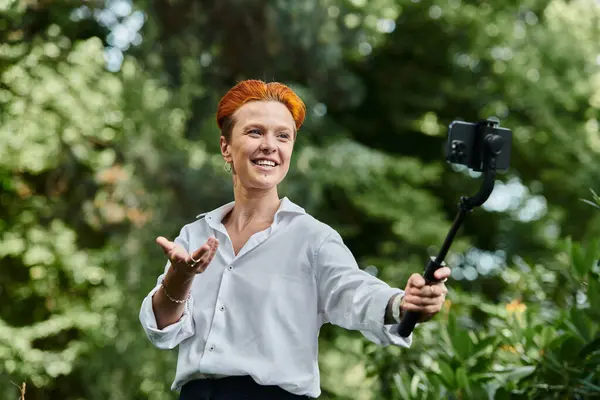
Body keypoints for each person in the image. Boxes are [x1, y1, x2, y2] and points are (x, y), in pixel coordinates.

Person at [139, 80, 450, 400]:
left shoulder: (312, 238)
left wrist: (402, 304)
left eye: (283, 136)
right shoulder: (195, 235)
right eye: (255, 132)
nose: (270, 145)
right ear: (226, 147)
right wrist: (179, 278)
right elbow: (162, 329)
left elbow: (355, 292)